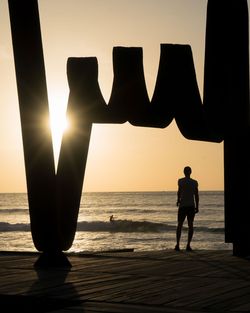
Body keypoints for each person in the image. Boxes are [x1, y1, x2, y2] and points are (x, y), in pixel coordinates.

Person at [175, 166, 199, 251]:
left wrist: (178, 200)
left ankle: (177, 244)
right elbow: (196, 195)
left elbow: (179, 192)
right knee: (190, 225)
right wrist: (197, 206)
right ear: (190, 172)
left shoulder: (180, 181)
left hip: (183, 206)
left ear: (184, 172)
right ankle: (188, 245)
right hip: (191, 206)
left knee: (179, 225)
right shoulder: (194, 182)